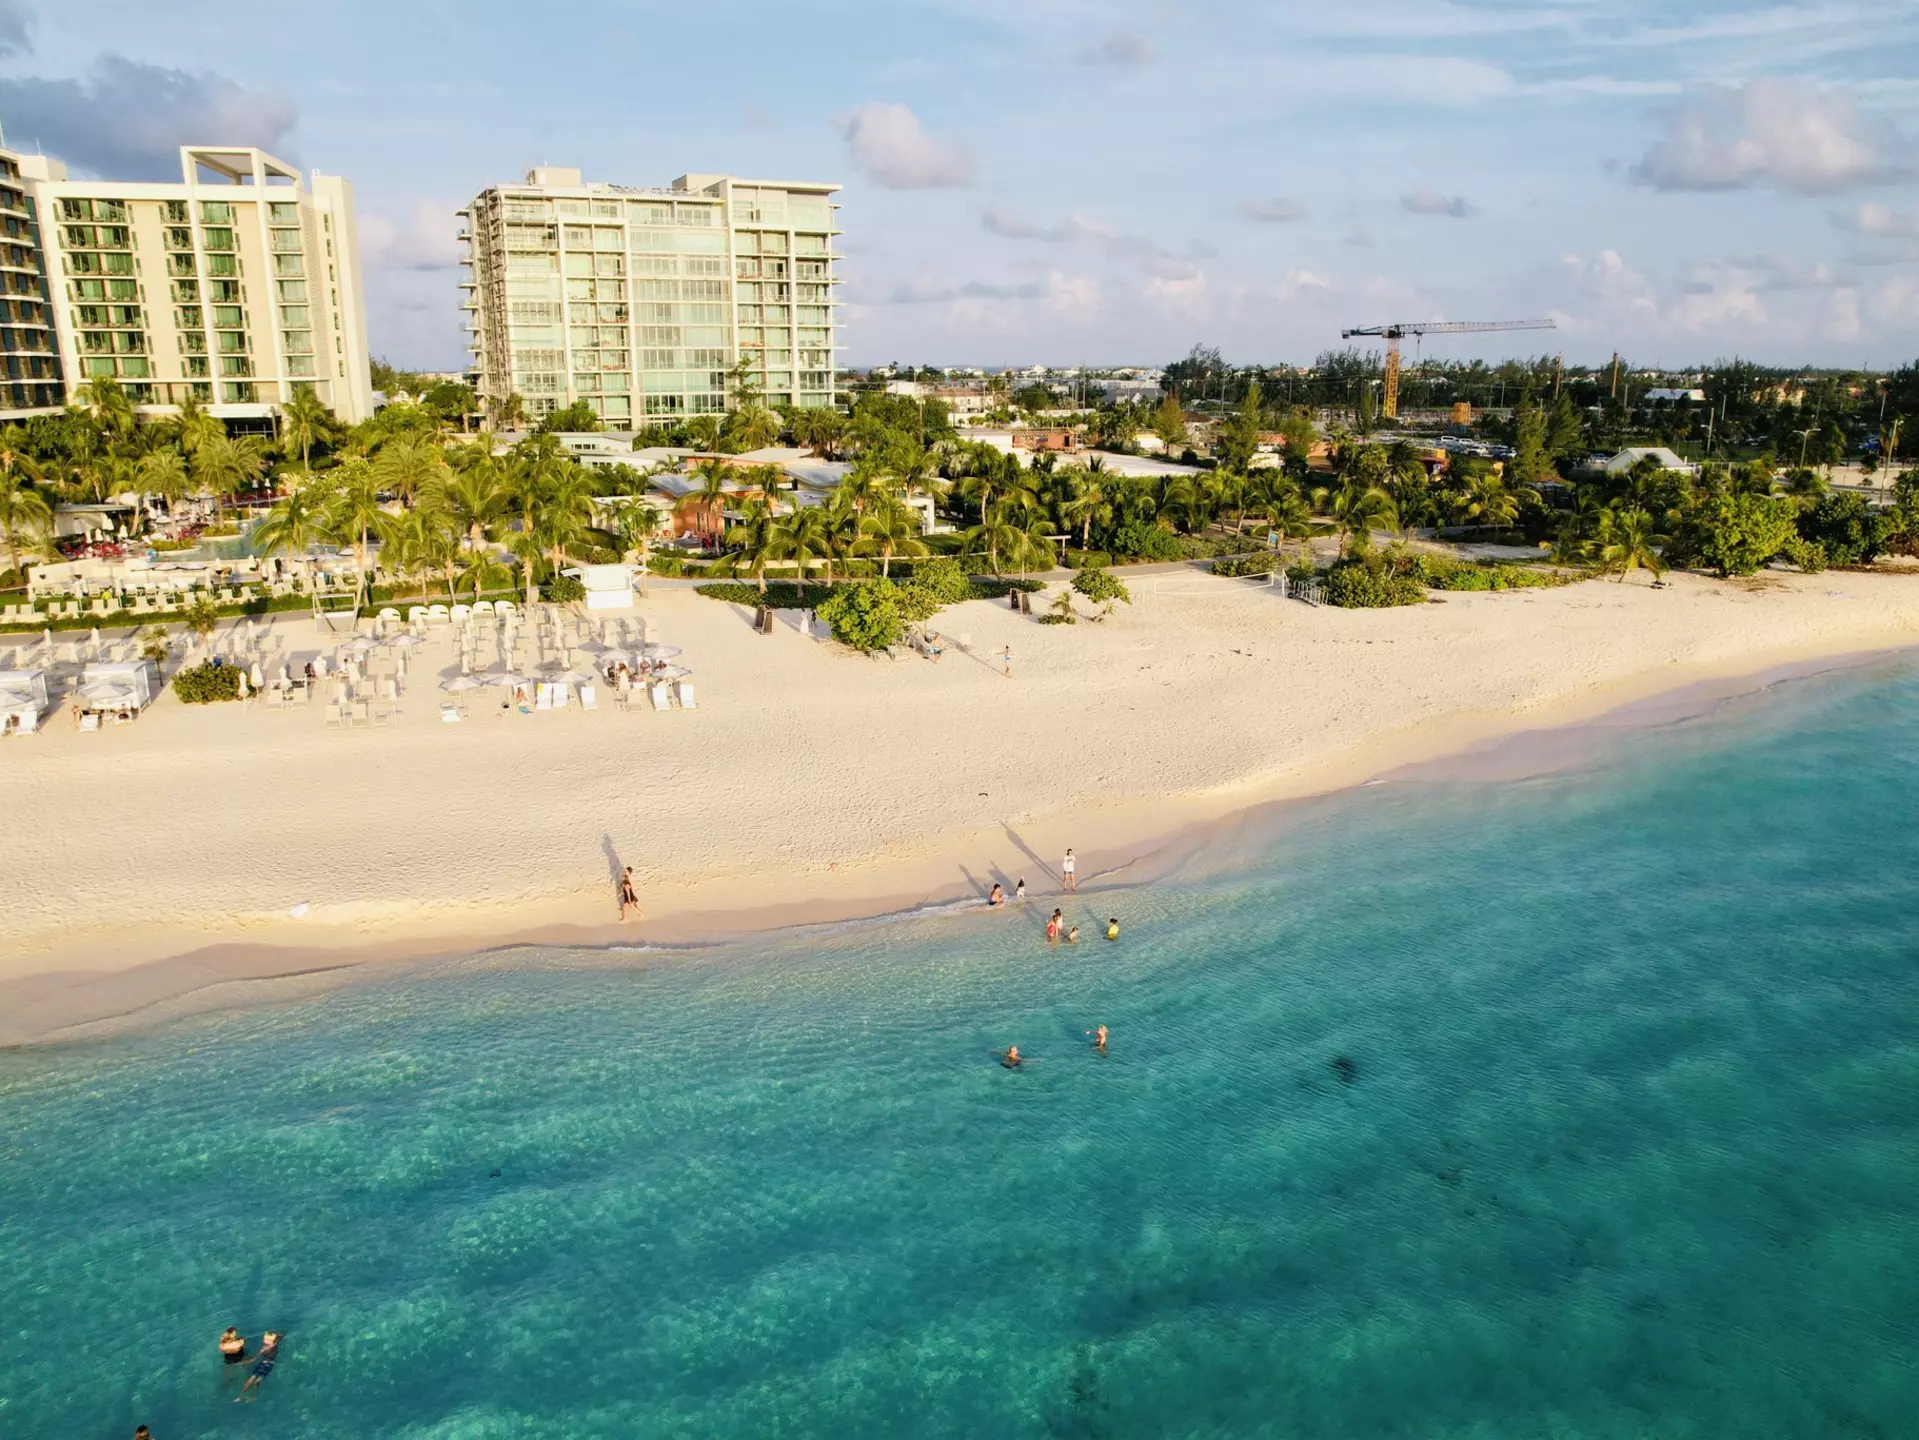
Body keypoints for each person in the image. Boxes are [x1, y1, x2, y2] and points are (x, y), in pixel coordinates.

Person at [235, 1331, 281, 1402]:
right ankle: (243, 1396)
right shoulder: (272, 1345)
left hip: (267, 1365)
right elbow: (253, 1359)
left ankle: (247, 1396)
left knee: (255, 1381)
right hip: (266, 1364)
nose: (263, 1340)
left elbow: (253, 1359)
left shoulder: (268, 1346)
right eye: (264, 1339)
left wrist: (242, 1363)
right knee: (252, 1380)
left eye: (265, 1339)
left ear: (271, 1340)